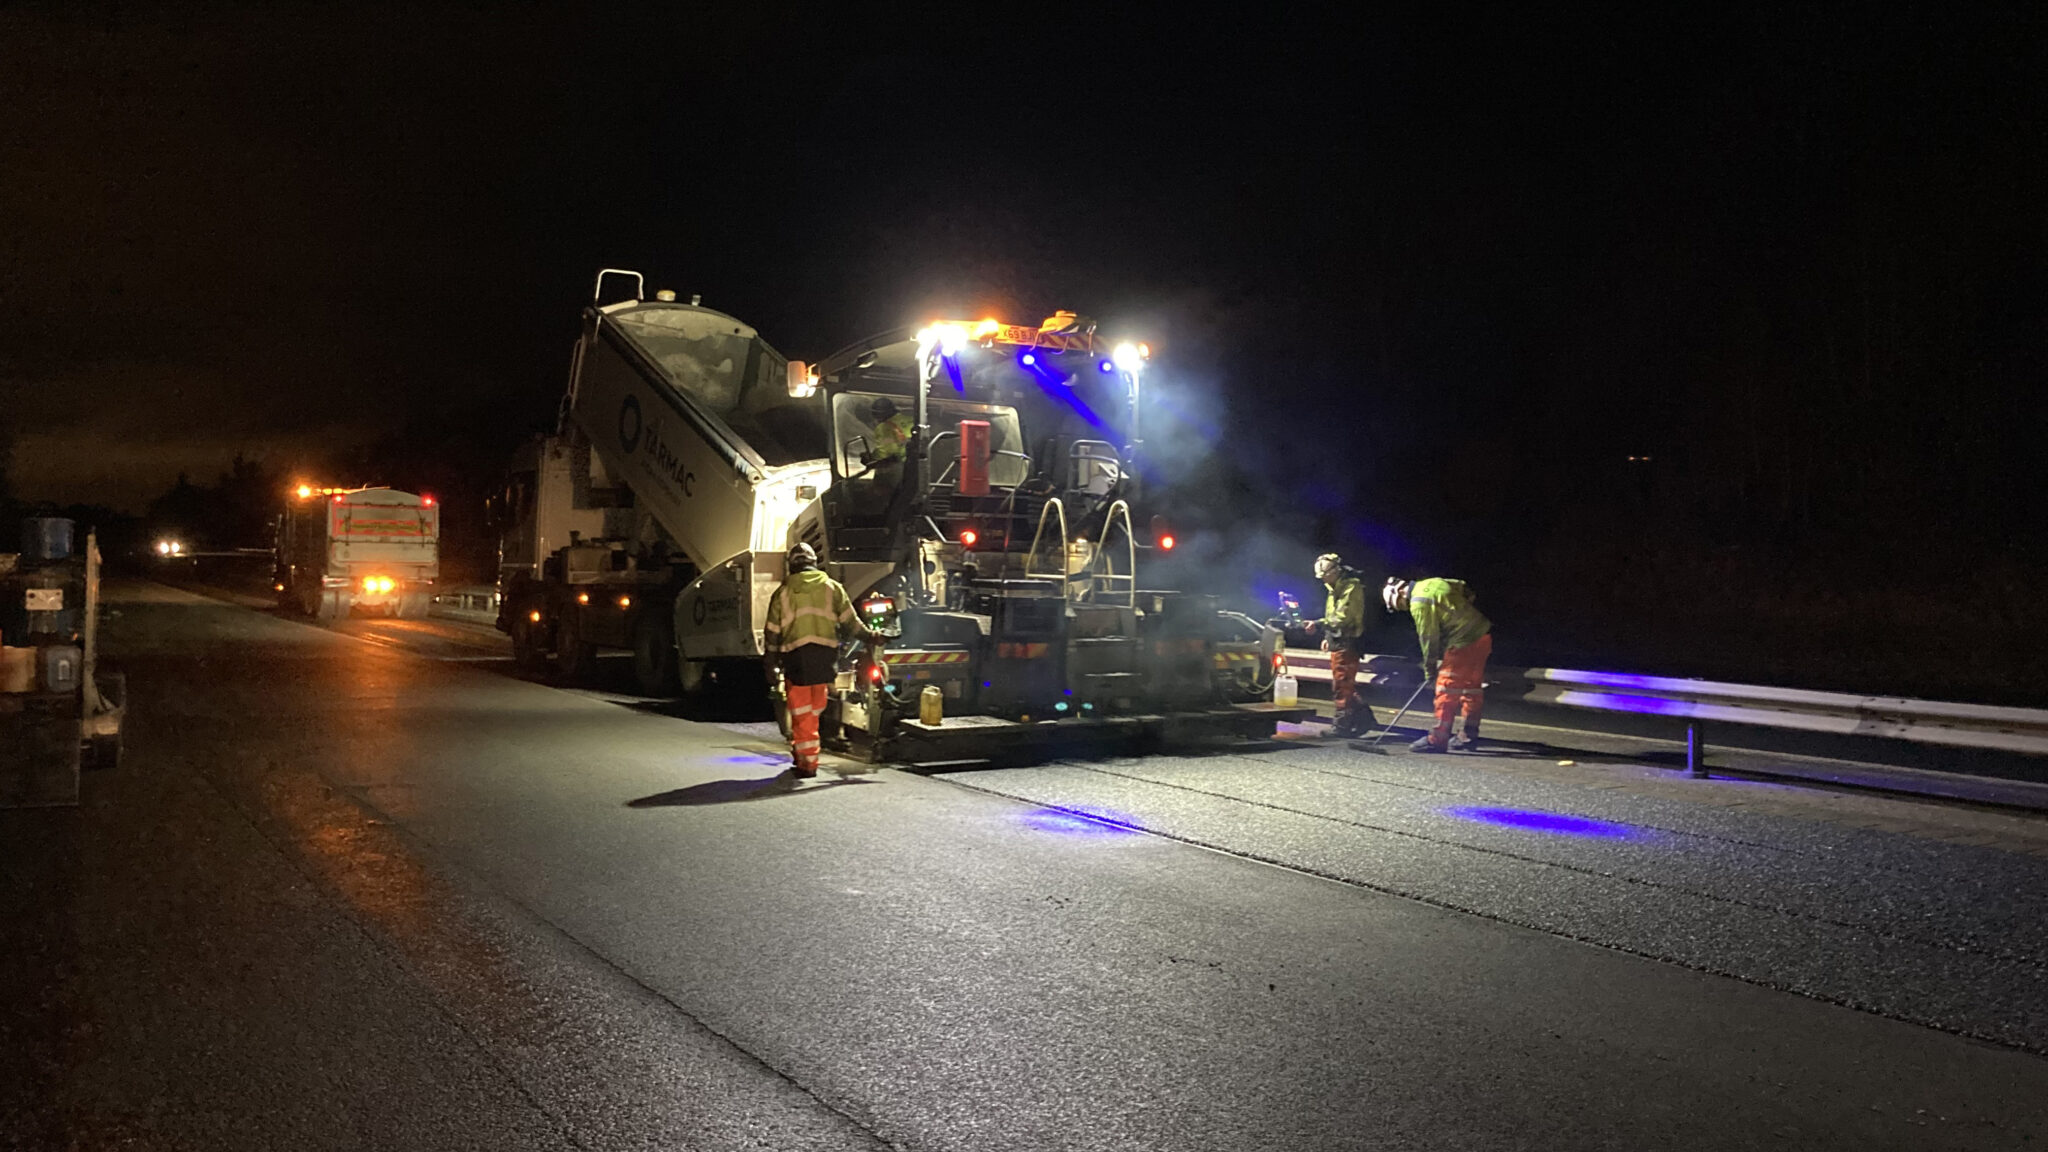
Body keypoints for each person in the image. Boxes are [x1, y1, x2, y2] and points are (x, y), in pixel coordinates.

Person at [761, 543, 878, 778]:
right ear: (814, 563)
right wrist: (871, 636)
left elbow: (772, 632)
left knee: (802, 712)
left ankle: (807, 764)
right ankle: (804, 753)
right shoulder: (832, 587)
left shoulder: (783, 593)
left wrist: (770, 663)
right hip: (825, 658)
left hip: (797, 657)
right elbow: (850, 622)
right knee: (814, 709)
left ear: (792, 565)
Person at [1383, 576, 1493, 753]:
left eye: (1400, 606)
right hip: (1482, 634)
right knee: (1471, 688)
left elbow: (1428, 638)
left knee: (1445, 690)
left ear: (1399, 595)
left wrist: (1430, 668)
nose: (1404, 608)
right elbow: (1463, 587)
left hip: (1462, 642)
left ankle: (1437, 739)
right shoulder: (1432, 582)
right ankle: (1468, 735)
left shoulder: (1418, 603)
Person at [1304, 553, 1371, 737]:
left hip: (1348, 642)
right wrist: (1329, 636)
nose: (1323, 579)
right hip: (1340, 640)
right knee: (1344, 684)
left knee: (1342, 686)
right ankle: (1364, 718)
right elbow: (1333, 617)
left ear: (1336, 571)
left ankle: (1342, 726)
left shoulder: (1351, 587)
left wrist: (1318, 624)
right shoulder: (1334, 587)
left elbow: (1343, 617)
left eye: (1326, 575)